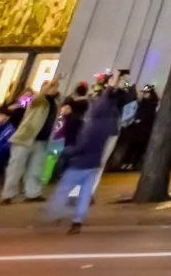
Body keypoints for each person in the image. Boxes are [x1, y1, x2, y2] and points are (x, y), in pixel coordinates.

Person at [43, 86, 120, 234]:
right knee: (85, 193)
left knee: (64, 189)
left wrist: (66, 152)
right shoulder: (107, 124)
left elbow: (81, 146)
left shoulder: (91, 126)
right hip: (93, 163)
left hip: (80, 163)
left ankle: (54, 213)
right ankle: (77, 220)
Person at [0, 82, 60, 204]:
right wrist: (42, 92)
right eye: (50, 86)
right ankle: (8, 195)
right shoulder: (38, 100)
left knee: (36, 168)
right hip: (25, 137)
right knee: (16, 167)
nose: (53, 89)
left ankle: (33, 193)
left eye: (55, 87)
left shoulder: (56, 103)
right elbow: (25, 102)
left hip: (42, 139)